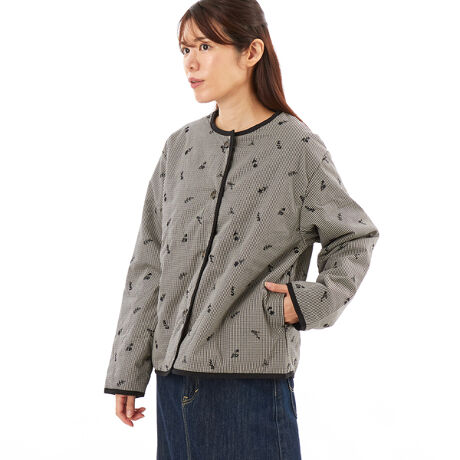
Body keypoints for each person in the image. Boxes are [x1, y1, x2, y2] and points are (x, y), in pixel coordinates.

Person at [103, 1, 380, 458]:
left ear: (251, 52)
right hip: (173, 384)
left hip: (250, 388)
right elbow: (149, 261)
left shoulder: (296, 148)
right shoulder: (180, 148)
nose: (190, 63)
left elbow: (354, 236)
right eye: (185, 49)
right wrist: (129, 369)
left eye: (205, 46)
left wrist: (306, 302)